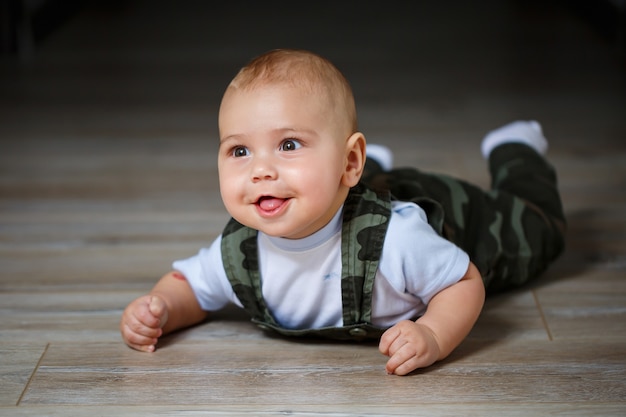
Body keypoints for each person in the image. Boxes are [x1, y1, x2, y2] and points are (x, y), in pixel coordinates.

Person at [120, 49, 566, 376]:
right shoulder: (240, 250)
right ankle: (368, 169)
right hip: (345, 187)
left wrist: (432, 334)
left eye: (288, 144)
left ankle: (516, 148)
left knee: (539, 231)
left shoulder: (398, 241)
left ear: (348, 161)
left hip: (463, 219)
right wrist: (159, 308)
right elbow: (190, 286)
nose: (260, 170)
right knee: (317, 188)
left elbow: (463, 281)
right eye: (239, 150)